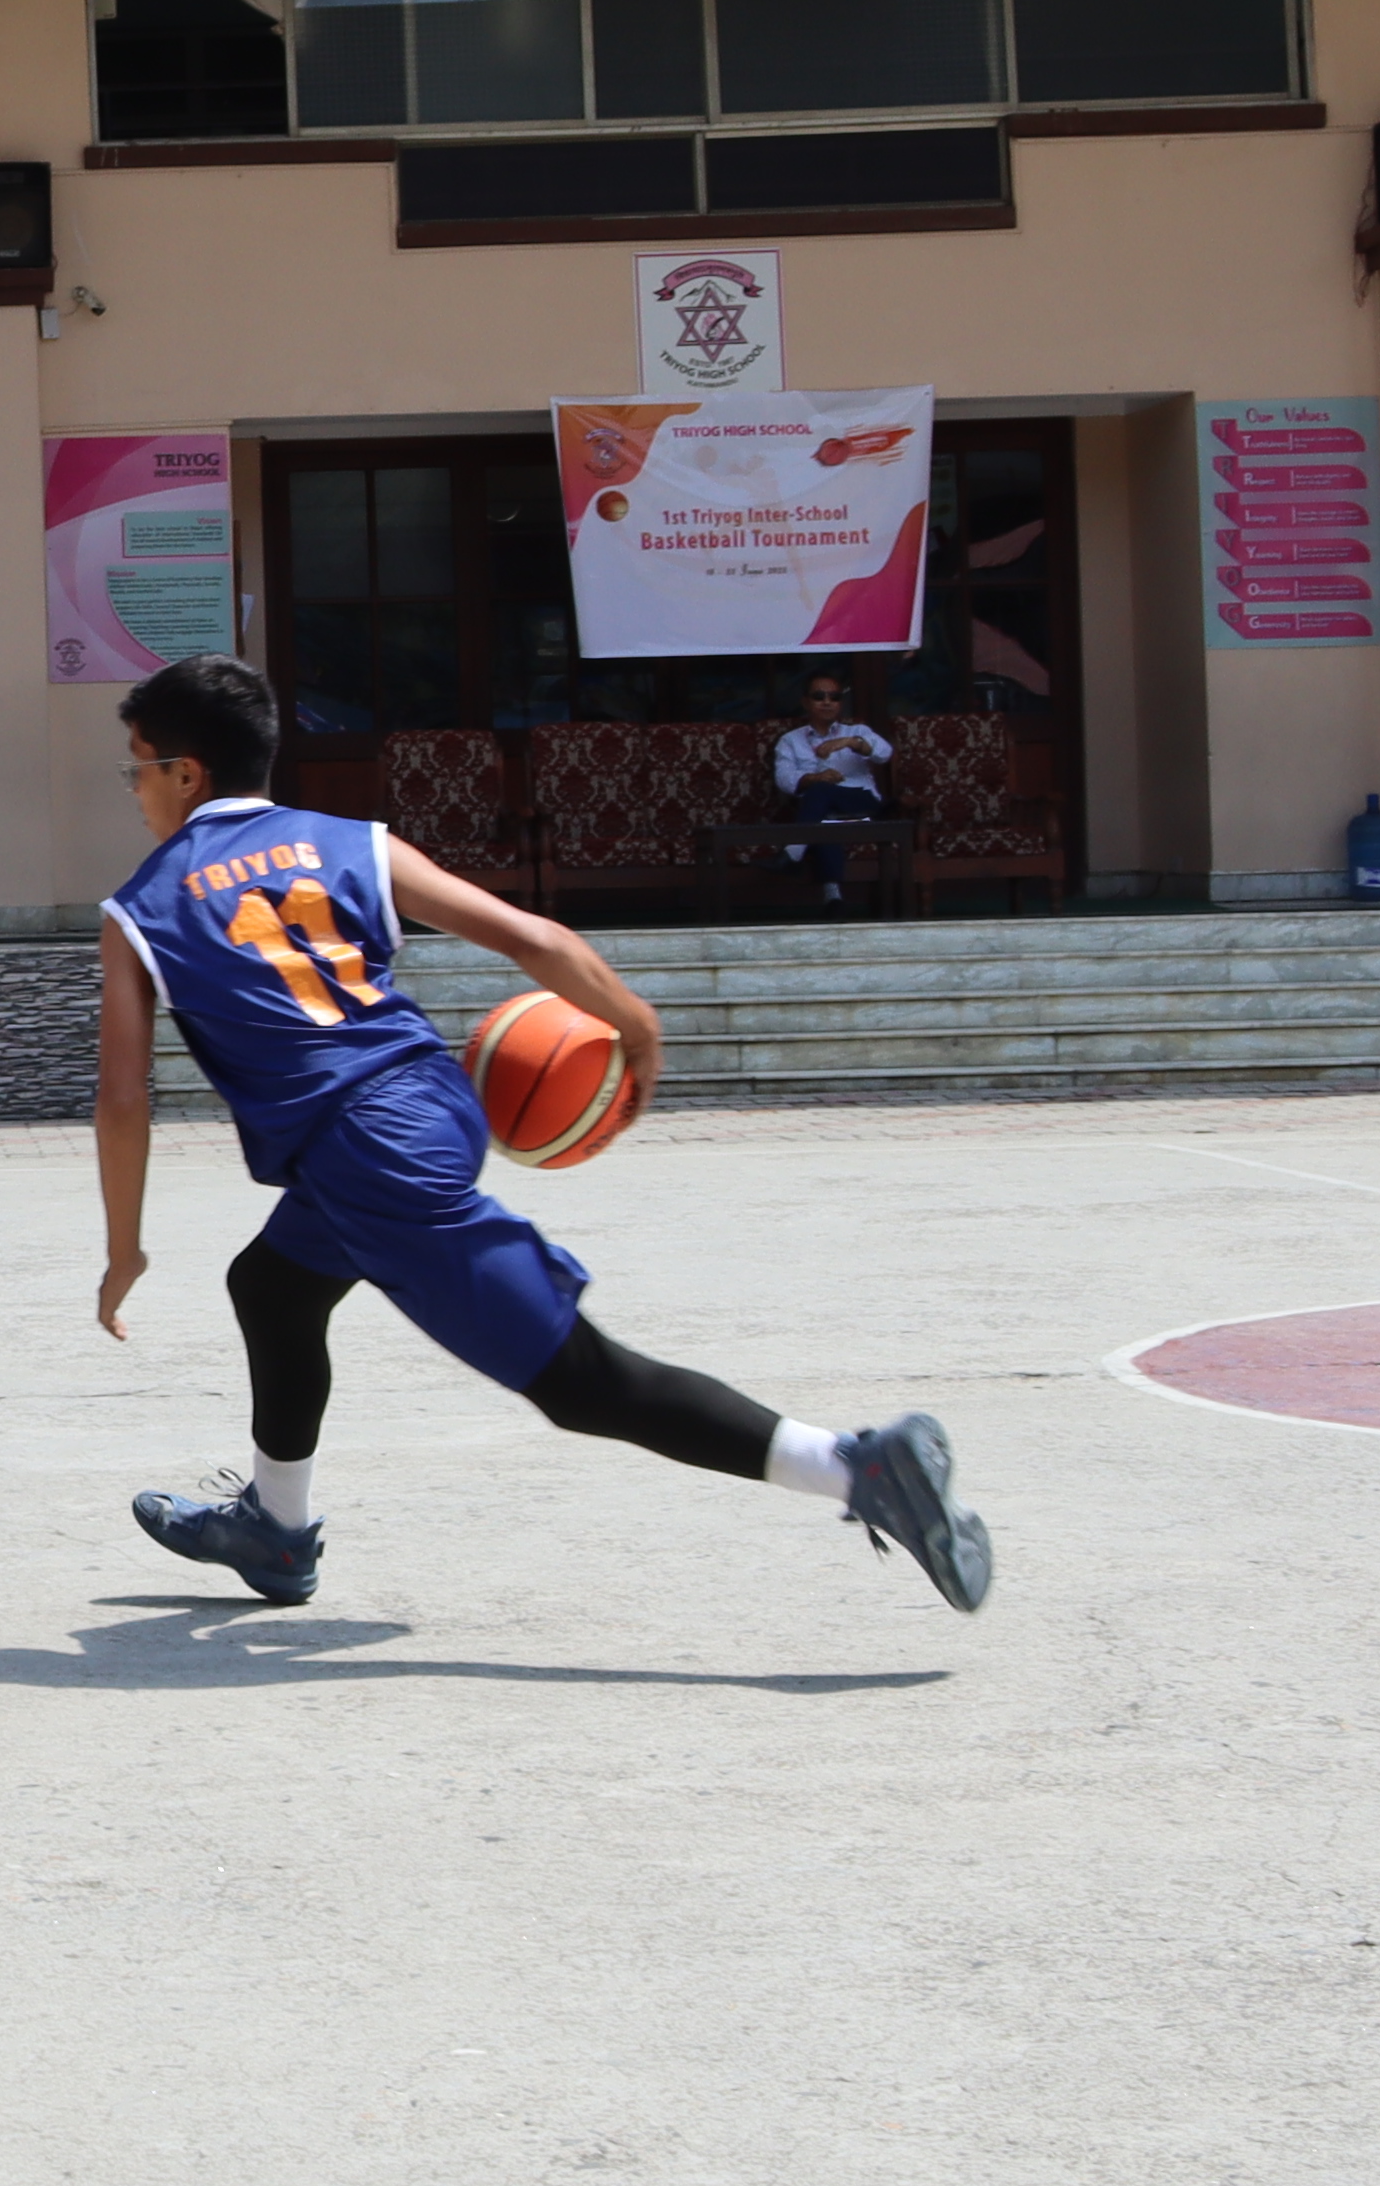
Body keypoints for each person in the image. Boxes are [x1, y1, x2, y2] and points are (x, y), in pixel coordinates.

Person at [91, 651, 991, 1618]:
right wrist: (636, 1024)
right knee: (271, 1284)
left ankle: (857, 1468)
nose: (134, 788)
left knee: (579, 1383)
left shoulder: (144, 904)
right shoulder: (352, 842)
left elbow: (122, 1098)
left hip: (367, 1156)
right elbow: (534, 940)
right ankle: (276, 1529)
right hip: (431, 1098)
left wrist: (124, 1249)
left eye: (137, 766)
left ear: (187, 773)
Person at [772, 670, 897, 915]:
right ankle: (833, 899)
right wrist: (815, 778)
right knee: (823, 814)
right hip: (822, 811)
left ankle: (794, 852)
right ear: (806, 702)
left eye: (834, 697)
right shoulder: (790, 740)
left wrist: (850, 743)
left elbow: (884, 753)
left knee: (820, 794)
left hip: (862, 806)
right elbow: (784, 780)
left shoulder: (857, 731)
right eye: (819, 696)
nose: (827, 702)